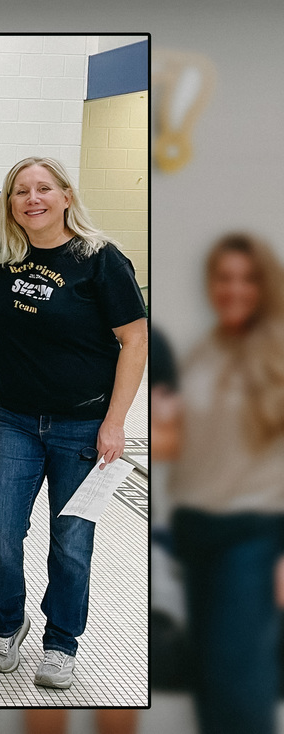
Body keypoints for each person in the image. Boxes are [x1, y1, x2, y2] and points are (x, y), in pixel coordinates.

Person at [0, 156, 148, 689]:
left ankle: (60, 644)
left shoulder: (100, 259)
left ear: (66, 196)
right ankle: (8, 625)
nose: (32, 199)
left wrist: (115, 422)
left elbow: (135, 339)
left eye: (43, 189)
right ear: (10, 204)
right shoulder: (6, 258)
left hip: (82, 425)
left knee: (71, 543)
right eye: (20, 191)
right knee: (1, 535)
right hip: (16, 420)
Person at [167, 233, 284, 734]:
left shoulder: (278, 350)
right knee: (212, 683)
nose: (234, 289)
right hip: (198, 533)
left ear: (266, 285)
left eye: (247, 279)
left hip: (252, 537)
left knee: (241, 684)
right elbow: (196, 442)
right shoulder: (207, 349)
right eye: (224, 278)